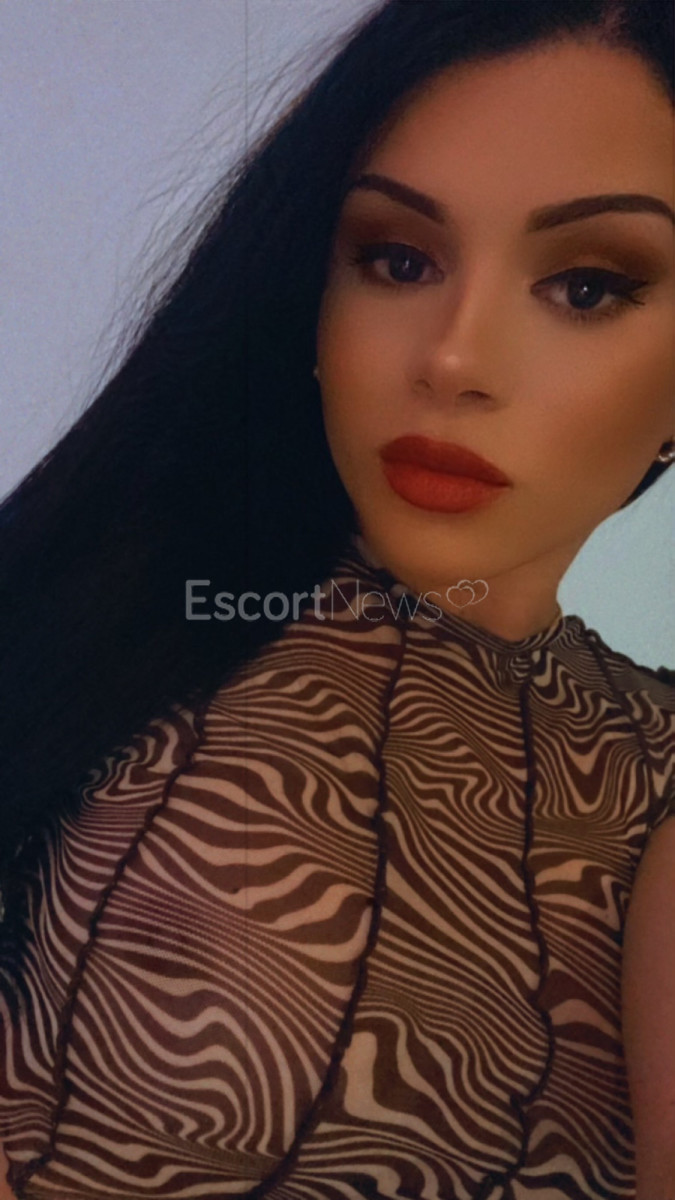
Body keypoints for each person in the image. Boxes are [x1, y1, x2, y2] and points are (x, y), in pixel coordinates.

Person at [0, 0, 673, 1196]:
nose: (454, 359)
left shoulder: (658, 776)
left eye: (586, 286)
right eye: (398, 260)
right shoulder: (99, 610)